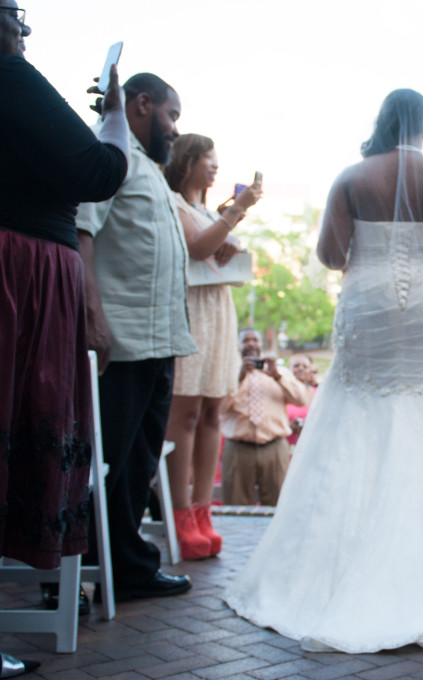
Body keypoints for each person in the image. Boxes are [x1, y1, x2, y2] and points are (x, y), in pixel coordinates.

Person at [224, 89, 423, 653]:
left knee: (356, 410)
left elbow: (331, 256)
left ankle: (332, 567)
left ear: (382, 122)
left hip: (367, 302)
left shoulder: (351, 179)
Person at [0, 1, 127, 671]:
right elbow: (99, 173)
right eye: (18, 18)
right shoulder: (10, 75)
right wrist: (113, 118)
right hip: (19, 276)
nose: (24, 32)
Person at [76, 72, 196, 602]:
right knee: (104, 462)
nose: (174, 129)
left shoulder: (149, 168)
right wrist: (92, 317)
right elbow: (82, 232)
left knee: (138, 463)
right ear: (141, 104)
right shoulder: (113, 154)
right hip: (118, 343)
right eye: (172, 115)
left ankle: (127, 570)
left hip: (158, 341)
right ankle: (74, 577)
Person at [162, 133, 262, 559]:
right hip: (191, 311)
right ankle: (179, 514)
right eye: (208, 159)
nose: (215, 167)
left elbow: (221, 252)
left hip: (219, 310)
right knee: (183, 415)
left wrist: (230, 232)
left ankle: (204, 512)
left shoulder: (206, 210)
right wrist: (237, 211)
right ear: (186, 162)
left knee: (211, 415)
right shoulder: (175, 204)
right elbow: (197, 246)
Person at [219, 330, 307, 506]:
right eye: (246, 341)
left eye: (255, 340)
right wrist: (239, 378)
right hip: (238, 448)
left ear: (261, 345)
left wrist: (276, 376)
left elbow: (301, 399)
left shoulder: (280, 372)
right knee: (235, 506)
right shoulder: (228, 374)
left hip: (274, 447)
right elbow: (220, 408)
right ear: (238, 345)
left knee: (279, 505)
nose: (251, 344)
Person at [286, 354, 318, 446]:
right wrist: (288, 427)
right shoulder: (282, 394)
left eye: (305, 366)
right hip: (288, 446)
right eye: (296, 366)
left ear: (310, 371)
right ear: (289, 370)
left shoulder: (318, 394)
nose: (301, 368)